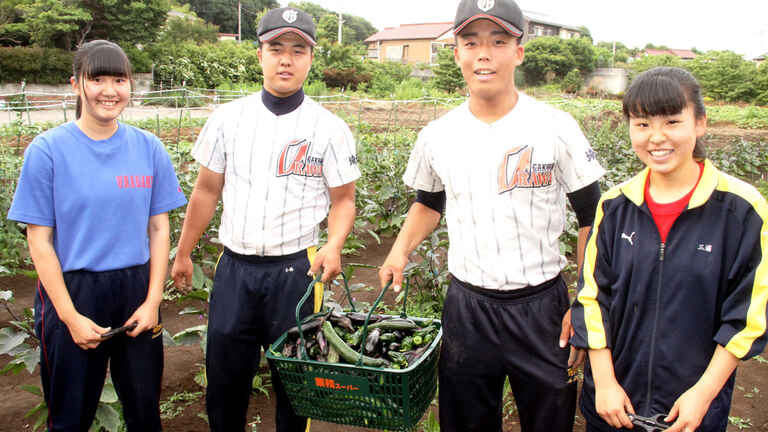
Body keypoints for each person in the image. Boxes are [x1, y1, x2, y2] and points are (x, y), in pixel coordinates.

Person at [378, 0, 605, 430]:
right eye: (471, 42)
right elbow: (428, 203)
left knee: (549, 419)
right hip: (468, 308)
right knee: (466, 421)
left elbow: (591, 218)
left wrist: (584, 300)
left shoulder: (555, 127)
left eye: (499, 41)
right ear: (457, 52)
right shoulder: (438, 135)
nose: (484, 53)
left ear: (519, 51)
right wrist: (397, 253)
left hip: (541, 307)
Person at [170, 7, 359, 432]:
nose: (286, 59)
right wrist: (183, 252)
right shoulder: (227, 119)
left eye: (298, 50)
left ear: (311, 59)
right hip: (234, 269)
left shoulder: (329, 128)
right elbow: (206, 190)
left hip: (296, 272)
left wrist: (333, 245)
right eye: (276, 48)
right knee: (225, 381)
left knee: (295, 384)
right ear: (260, 55)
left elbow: (344, 199)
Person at [570, 67, 768, 432]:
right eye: (642, 124)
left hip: (691, 409)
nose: (656, 137)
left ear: (701, 124)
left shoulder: (742, 210)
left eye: (673, 122)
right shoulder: (614, 206)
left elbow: (747, 318)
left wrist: (703, 395)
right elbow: (593, 297)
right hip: (616, 404)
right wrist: (606, 384)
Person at [7, 40, 187, 431]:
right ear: (77, 84)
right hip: (73, 289)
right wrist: (69, 317)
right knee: (71, 415)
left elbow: (158, 227)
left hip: (136, 287)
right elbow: (39, 240)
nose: (110, 90)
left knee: (144, 409)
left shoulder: (148, 148)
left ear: (130, 86)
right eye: (98, 78)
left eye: (119, 79)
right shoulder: (48, 151)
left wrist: (153, 299)